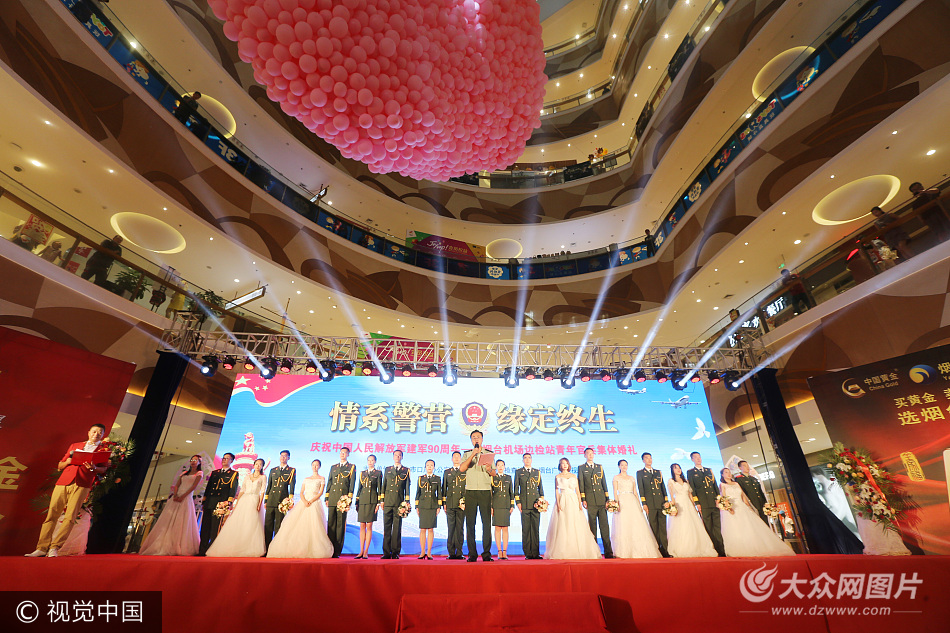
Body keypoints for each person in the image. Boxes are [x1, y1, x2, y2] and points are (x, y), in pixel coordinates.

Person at [26, 424, 111, 557]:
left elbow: (103, 469)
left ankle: (55, 547)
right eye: (94, 431)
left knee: (70, 517)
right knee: (52, 515)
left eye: (100, 432)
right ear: (89, 432)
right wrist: (69, 461)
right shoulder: (75, 445)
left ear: (103, 435)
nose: (96, 434)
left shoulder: (103, 450)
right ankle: (41, 548)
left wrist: (94, 468)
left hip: (82, 484)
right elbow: (60, 465)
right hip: (64, 481)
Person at [267, 459, 333, 559]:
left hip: (314, 502)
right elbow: (302, 492)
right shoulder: (306, 479)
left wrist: (311, 501)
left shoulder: (321, 478)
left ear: (319, 467)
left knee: (314, 525)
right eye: (313, 465)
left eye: (317, 465)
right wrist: (305, 501)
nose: (315, 467)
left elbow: (320, 493)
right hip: (304, 502)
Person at [719, 469, 794, 557]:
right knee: (737, 528)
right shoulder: (722, 485)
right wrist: (728, 508)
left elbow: (743, 496)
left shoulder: (736, 484)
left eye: (729, 472)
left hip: (742, 507)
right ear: (722, 475)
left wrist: (749, 506)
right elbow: (723, 498)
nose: (729, 474)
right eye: (726, 472)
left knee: (750, 526)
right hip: (732, 508)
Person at [139, 455, 203, 556]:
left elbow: (193, 486)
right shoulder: (184, 473)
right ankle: (162, 543)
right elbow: (177, 485)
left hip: (186, 497)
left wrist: (183, 496)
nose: (193, 461)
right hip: (176, 497)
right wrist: (176, 494)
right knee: (168, 519)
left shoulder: (199, 473)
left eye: (196, 460)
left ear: (199, 462)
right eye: (192, 460)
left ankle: (178, 544)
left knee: (182, 520)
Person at [206, 458, 266, 557]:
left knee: (251, 523)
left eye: (260, 464)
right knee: (239, 522)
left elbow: (262, 491)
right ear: (254, 465)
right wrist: (237, 503)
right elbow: (242, 490)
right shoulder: (247, 476)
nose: (258, 466)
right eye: (256, 464)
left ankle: (248, 546)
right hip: (244, 500)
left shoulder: (263, 477)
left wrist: (259, 504)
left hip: (254, 500)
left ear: (262, 466)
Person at [544, 458, 602, 560]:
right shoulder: (557, 476)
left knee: (575, 523)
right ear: (560, 466)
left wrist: (579, 503)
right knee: (563, 523)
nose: (564, 465)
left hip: (573, 500)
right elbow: (556, 491)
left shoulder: (573, 476)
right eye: (562, 463)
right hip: (563, 499)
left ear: (568, 465)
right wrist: (558, 503)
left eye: (566, 463)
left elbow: (577, 491)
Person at [612, 459, 661, 559]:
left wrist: (639, 504)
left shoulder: (631, 478)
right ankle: (625, 551)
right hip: (622, 500)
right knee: (624, 524)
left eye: (626, 465)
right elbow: (615, 492)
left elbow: (635, 492)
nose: (624, 467)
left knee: (636, 524)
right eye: (622, 465)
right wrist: (617, 504)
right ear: (619, 466)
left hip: (632, 500)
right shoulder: (616, 477)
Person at [666, 464, 718, 558]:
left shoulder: (686, 481)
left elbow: (690, 495)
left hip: (688, 504)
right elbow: (671, 495)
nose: (678, 469)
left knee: (693, 524)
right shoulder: (671, 481)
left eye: (679, 468)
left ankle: (698, 547)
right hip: (679, 503)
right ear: (672, 470)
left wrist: (694, 506)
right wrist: (672, 506)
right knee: (682, 525)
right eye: (676, 468)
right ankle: (684, 547)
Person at [460, 430, 496, 562]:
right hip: (470, 491)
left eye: (478, 437)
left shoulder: (488, 454)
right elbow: (462, 469)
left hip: (485, 491)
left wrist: (489, 469)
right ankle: (472, 554)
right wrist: (473, 455)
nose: (476, 439)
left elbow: (494, 473)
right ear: (471, 440)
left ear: (482, 439)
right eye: (474, 437)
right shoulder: (467, 454)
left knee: (486, 523)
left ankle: (486, 554)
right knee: (470, 524)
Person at [198, 452, 239, 555]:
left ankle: (212, 550)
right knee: (205, 527)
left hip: (221, 503)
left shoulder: (233, 473)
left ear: (231, 461)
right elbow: (209, 487)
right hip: (210, 502)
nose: (224, 460)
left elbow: (233, 489)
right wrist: (204, 501)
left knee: (215, 528)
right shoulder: (215, 472)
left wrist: (229, 502)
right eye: (223, 458)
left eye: (227, 458)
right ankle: (202, 550)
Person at [577, 447, 614, 558]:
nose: (590, 455)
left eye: (592, 453)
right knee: (592, 527)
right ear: (584, 455)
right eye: (588, 453)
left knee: (604, 526)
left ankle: (608, 551)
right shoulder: (581, 468)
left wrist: (607, 499)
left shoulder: (599, 467)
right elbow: (581, 484)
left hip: (601, 499)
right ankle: (594, 552)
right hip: (590, 500)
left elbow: (604, 483)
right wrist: (583, 499)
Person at [687, 452, 725, 556]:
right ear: (692, 460)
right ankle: (714, 549)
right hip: (703, 503)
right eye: (695, 457)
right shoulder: (691, 472)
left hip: (713, 502)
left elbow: (714, 485)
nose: (698, 459)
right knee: (708, 527)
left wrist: (718, 498)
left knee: (718, 526)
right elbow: (693, 489)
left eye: (699, 457)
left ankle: (722, 550)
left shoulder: (709, 470)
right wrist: (697, 503)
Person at [635, 452, 670, 557]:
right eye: (647, 458)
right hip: (650, 503)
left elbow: (662, 487)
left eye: (650, 458)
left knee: (663, 527)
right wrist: (644, 503)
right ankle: (657, 549)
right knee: (653, 526)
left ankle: (665, 549)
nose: (649, 460)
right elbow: (641, 488)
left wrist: (666, 500)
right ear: (643, 460)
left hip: (661, 502)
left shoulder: (658, 472)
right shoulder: (640, 473)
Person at [325, 447, 356, 558]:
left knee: (340, 525)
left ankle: (337, 550)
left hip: (343, 499)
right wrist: (327, 498)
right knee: (331, 524)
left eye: (345, 453)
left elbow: (352, 484)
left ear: (348, 454)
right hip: (332, 498)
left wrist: (349, 499)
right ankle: (329, 548)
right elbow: (329, 482)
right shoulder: (334, 467)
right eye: (341, 452)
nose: (342, 454)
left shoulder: (351, 467)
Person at [263, 450, 296, 552]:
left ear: (288, 458)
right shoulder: (273, 470)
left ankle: (276, 549)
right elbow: (269, 486)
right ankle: (266, 548)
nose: (283, 458)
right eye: (281, 456)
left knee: (279, 525)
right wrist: (266, 500)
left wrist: (290, 500)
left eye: (285, 456)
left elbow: (292, 485)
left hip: (282, 501)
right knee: (268, 525)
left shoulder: (291, 470)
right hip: (271, 500)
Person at [381, 449, 410, 559]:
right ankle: (386, 552)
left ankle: (395, 552)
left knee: (397, 528)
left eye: (399, 455)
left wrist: (406, 502)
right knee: (387, 528)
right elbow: (384, 485)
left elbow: (407, 487)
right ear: (393, 457)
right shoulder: (388, 469)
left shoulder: (405, 470)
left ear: (402, 457)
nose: (397, 457)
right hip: (388, 502)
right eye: (396, 455)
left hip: (399, 503)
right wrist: (382, 500)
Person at [514, 452, 544, 560]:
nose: (527, 460)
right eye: (525, 458)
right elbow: (516, 489)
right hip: (525, 503)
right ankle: (528, 553)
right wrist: (518, 503)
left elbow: (540, 489)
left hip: (536, 504)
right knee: (526, 529)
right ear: (523, 460)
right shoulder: (519, 472)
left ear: (531, 460)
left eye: (529, 458)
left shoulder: (537, 472)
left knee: (535, 529)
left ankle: (536, 553)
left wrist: (541, 502)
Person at [355, 454, 382, 559]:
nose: (370, 462)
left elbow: (380, 488)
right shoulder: (363, 473)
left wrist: (378, 503)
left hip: (372, 501)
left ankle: (366, 551)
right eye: (369, 460)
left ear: (375, 462)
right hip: (362, 501)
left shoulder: (378, 473)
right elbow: (359, 488)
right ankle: (361, 551)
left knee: (369, 526)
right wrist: (357, 501)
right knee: (362, 525)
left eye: (372, 460)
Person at [441, 451, 466, 560]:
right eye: (454, 456)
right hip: (450, 503)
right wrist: (444, 503)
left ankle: (459, 552)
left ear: (461, 459)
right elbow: (444, 488)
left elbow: (467, 488)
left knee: (460, 529)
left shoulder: (465, 471)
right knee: (451, 528)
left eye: (458, 456)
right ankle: (451, 552)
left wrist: (465, 501)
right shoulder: (447, 472)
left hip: (461, 504)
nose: (456, 458)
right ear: (451, 459)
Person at [415, 459, 442, 560]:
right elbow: (418, 493)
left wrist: (439, 506)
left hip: (432, 505)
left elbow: (439, 493)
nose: (429, 467)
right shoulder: (421, 478)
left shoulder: (437, 478)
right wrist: (417, 506)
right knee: (422, 529)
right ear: (425, 467)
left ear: (434, 467)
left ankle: (429, 552)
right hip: (422, 505)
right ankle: (422, 552)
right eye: (428, 465)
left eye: (431, 465)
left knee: (430, 529)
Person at [490, 459, 514, 560]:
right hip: (496, 505)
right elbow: (490, 493)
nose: (500, 467)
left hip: (505, 505)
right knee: (497, 528)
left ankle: (505, 551)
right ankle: (499, 551)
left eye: (502, 465)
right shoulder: (492, 477)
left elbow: (511, 492)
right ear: (496, 467)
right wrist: (491, 506)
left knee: (505, 528)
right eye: (498, 465)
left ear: (504, 467)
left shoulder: (508, 477)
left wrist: (512, 505)